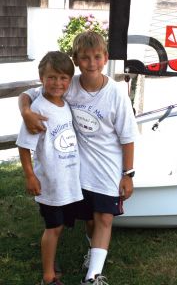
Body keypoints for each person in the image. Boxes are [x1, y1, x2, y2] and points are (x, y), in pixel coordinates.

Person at [18, 31, 139, 285]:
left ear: (105, 58)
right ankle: (91, 252)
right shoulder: (68, 84)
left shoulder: (116, 93)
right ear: (76, 59)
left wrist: (128, 174)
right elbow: (28, 94)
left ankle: (92, 276)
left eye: (97, 57)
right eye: (84, 58)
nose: (91, 63)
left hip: (108, 168)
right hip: (77, 168)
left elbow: (128, 137)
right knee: (89, 218)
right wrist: (26, 112)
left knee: (104, 218)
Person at [16, 51, 83, 285]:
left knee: (60, 225)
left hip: (68, 180)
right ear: (41, 77)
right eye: (52, 77)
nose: (58, 83)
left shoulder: (65, 104)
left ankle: (50, 259)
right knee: (53, 228)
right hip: (50, 183)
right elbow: (24, 146)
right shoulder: (38, 110)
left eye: (63, 78)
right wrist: (30, 176)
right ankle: (48, 276)